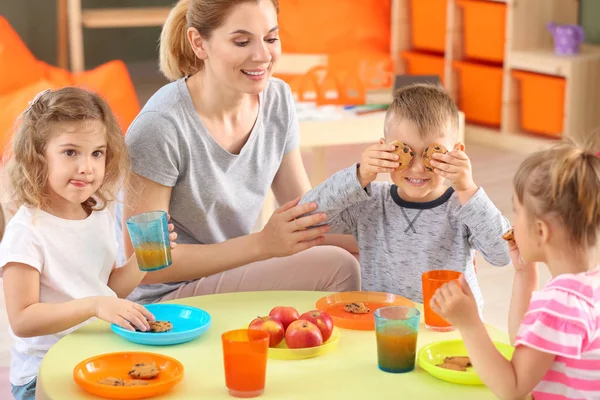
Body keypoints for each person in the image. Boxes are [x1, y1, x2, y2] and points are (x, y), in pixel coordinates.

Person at [116, 0, 361, 305]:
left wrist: (392, 230)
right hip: (167, 295)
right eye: (242, 41)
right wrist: (262, 244)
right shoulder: (159, 127)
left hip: (235, 268)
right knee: (339, 266)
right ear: (198, 43)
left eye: (271, 38)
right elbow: (146, 264)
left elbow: (305, 213)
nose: (262, 56)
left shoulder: (277, 98)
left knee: (363, 253)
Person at [0, 87, 176, 400]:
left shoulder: (99, 211)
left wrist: (140, 261)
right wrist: (94, 306)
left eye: (97, 153)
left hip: (95, 357)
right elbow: (23, 320)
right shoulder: (27, 231)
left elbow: (108, 290)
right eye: (70, 152)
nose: (86, 167)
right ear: (39, 155)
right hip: (42, 374)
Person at [299, 84, 511, 310]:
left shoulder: (464, 206)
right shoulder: (370, 202)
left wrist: (468, 189)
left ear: (457, 152)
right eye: (405, 152)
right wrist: (358, 176)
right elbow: (307, 217)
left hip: (449, 329)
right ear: (384, 148)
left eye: (431, 153)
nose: (417, 168)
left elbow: (503, 254)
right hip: (384, 326)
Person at [432, 139, 600, 399]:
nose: (514, 222)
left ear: (541, 231)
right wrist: (525, 273)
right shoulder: (587, 288)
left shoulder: (558, 304)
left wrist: (469, 324)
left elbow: (512, 387)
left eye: (518, 212)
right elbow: (523, 345)